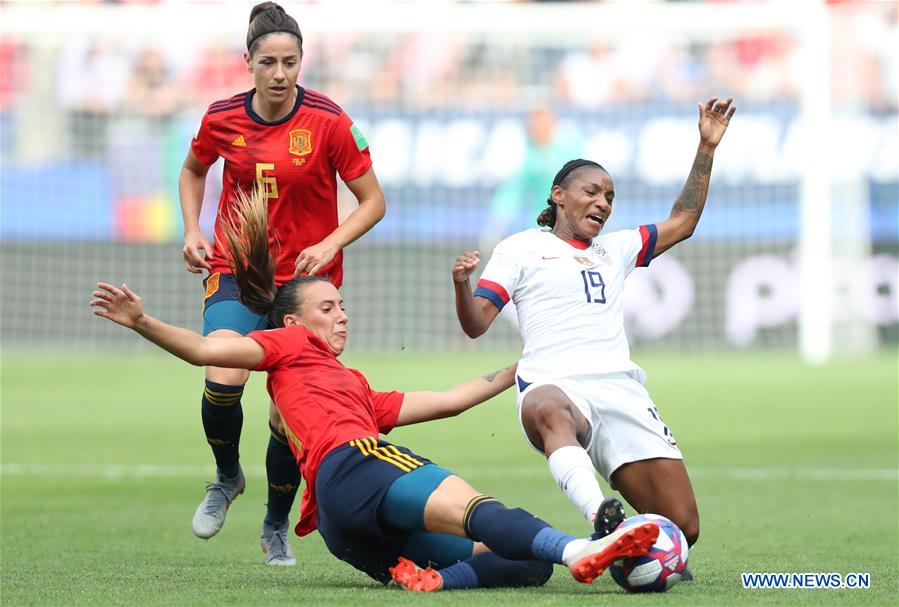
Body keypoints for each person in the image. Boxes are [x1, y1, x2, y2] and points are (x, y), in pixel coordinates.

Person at [90, 187, 661, 592]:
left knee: (521, 564)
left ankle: (438, 580)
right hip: (358, 465)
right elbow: (206, 350)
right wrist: (143, 321)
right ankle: (582, 548)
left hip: (341, 528)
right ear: (293, 323)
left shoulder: (354, 389)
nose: (342, 317)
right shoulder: (286, 348)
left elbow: (449, 400)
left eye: (343, 306)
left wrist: (526, 364)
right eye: (329, 307)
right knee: (485, 511)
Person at [452, 97, 737, 550]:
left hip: (620, 389)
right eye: (591, 191)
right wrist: (462, 286)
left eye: (609, 196)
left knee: (683, 530)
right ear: (558, 195)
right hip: (554, 384)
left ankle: (629, 549)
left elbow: (683, 222)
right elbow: (475, 324)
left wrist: (706, 147)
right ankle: (600, 518)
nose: (602, 202)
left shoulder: (618, 249)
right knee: (547, 406)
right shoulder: (520, 248)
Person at [178, 2, 387, 564]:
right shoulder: (222, 117)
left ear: (301, 62)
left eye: (289, 62)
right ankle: (226, 476)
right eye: (267, 61)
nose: (278, 73)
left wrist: (332, 242)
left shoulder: (330, 121)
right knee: (223, 369)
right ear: (247, 61)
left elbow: (374, 202)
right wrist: (192, 228)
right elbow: (194, 169)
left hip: (305, 281)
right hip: (238, 269)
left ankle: (275, 524)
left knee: (287, 413)